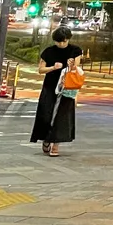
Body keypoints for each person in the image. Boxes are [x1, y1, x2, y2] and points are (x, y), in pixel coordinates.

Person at [30, 26, 82, 156]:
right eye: (59, 41)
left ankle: (55, 146)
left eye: (64, 41)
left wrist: (72, 66)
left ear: (68, 39)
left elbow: (76, 71)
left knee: (62, 117)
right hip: (50, 86)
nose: (62, 44)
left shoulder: (75, 51)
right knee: (46, 114)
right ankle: (46, 138)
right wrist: (53, 67)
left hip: (67, 88)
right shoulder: (49, 51)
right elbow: (40, 70)